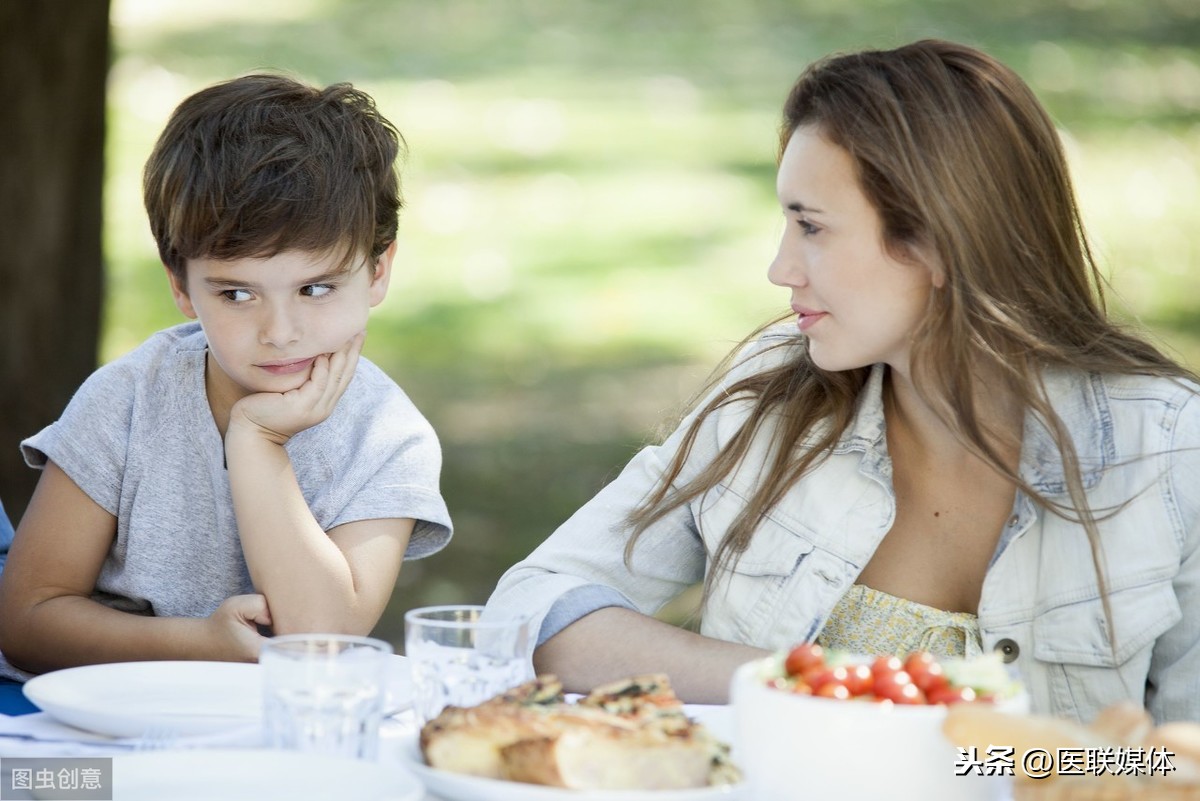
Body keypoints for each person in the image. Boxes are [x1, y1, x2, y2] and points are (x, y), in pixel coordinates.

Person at [485, 39, 1200, 724]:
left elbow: (1179, 764)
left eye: (813, 227)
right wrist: (800, 687)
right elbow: (534, 605)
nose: (780, 267)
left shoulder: (1168, 452)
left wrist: (1007, 769)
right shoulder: (767, 397)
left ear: (939, 243)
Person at [0, 75, 452, 684]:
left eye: (315, 288)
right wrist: (198, 643)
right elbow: (27, 620)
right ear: (181, 286)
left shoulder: (386, 437)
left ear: (377, 271)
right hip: (105, 724)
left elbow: (321, 638)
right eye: (237, 293)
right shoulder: (129, 400)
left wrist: (258, 444)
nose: (281, 331)